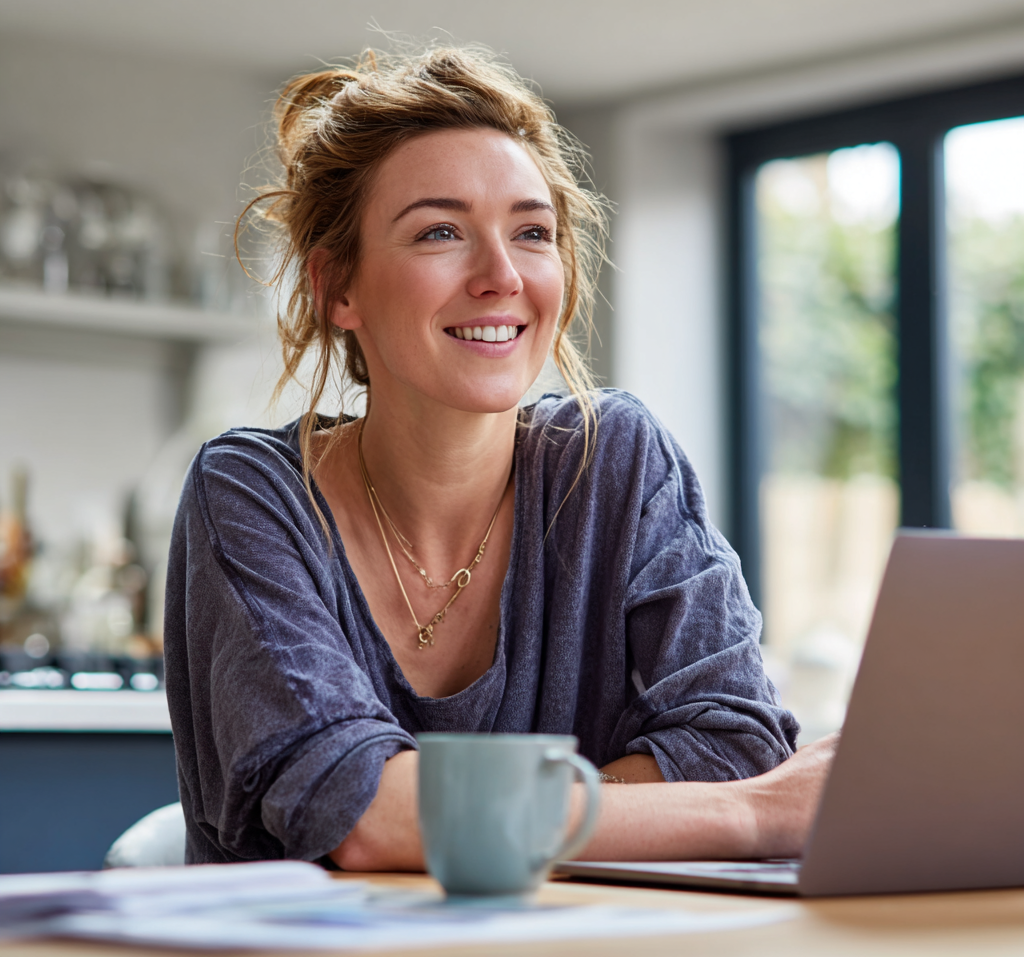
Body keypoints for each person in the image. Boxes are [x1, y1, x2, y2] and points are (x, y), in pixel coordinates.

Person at [164, 45, 836, 870]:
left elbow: (734, 741)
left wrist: (460, 814)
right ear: (339, 287)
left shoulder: (614, 464)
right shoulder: (252, 493)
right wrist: (753, 816)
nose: (501, 275)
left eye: (532, 232)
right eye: (440, 232)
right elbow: (364, 814)